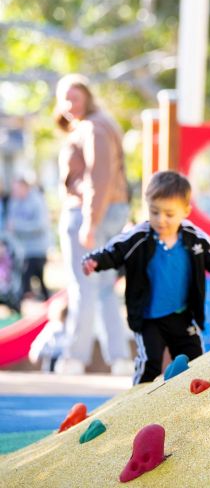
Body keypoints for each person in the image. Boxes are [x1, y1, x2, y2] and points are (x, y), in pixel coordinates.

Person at [82, 171, 210, 384]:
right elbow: (116, 250)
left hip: (182, 315)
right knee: (151, 361)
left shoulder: (193, 238)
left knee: (194, 359)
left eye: (169, 214)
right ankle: (137, 403)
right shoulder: (139, 237)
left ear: (185, 211)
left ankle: (193, 402)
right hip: (149, 317)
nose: (161, 220)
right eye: (154, 211)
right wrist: (95, 260)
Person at [53, 74, 134, 376]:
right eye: (63, 98)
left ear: (87, 97)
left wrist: (89, 221)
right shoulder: (100, 124)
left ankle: (75, 357)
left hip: (90, 213)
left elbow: (100, 176)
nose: (67, 104)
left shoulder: (93, 127)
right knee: (101, 288)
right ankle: (119, 358)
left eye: (74, 97)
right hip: (107, 211)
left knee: (83, 286)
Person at [6, 176, 51, 302]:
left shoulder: (36, 200)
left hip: (37, 250)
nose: (14, 192)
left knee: (30, 281)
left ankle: (30, 305)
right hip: (22, 250)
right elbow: (10, 224)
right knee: (31, 281)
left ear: (24, 187)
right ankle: (38, 304)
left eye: (17, 188)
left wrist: (18, 226)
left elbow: (40, 226)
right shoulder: (14, 201)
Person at [28, 298, 68, 372]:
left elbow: (41, 341)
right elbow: (42, 341)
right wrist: (36, 352)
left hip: (59, 358)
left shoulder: (56, 327)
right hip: (54, 358)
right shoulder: (54, 327)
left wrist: (35, 352)